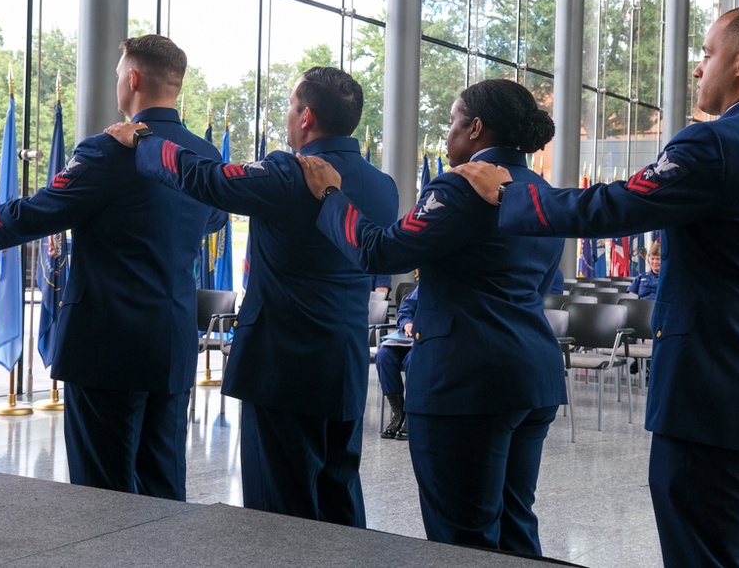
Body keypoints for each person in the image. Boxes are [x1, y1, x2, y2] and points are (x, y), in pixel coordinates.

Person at [452, 5, 739, 568]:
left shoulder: (715, 144)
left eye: (708, 54)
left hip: (713, 396)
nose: (698, 69)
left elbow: (614, 205)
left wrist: (511, 193)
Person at [105, 66, 399, 527]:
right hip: (342, 362)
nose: (287, 116)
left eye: (289, 105)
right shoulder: (383, 185)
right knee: (338, 494)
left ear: (306, 117)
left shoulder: (289, 171)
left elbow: (206, 178)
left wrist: (143, 140)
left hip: (283, 364)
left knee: (279, 514)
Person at [298, 78, 566, 553]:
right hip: (532, 377)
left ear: (476, 128)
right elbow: (544, 284)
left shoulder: (461, 187)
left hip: (467, 382)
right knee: (515, 525)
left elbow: (379, 252)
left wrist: (330, 197)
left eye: (452, 123)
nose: (448, 137)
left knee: (462, 537)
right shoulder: (538, 191)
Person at [0, 34, 226, 499]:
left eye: (120, 73)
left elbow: (45, 209)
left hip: (107, 345)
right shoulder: (205, 156)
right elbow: (216, 218)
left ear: (134, 79)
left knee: (101, 494)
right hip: (171, 343)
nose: (118, 81)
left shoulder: (109, 148)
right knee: (163, 483)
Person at [379, 286, 417, 440]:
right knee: (384, 356)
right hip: (407, 338)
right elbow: (405, 310)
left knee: (412, 361)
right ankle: (398, 412)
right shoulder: (424, 287)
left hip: (427, 340)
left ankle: (411, 413)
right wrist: (407, 323)